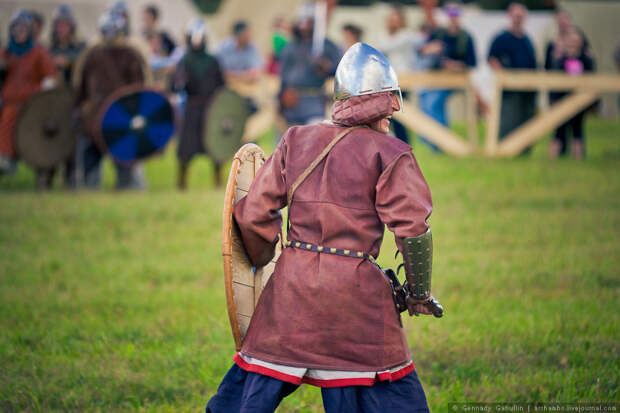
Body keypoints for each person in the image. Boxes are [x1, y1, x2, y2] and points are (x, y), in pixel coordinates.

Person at [206, 42, 439, 413]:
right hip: (357, 302)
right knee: (382, 393)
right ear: (384, 102)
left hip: (289, 295)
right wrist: (418, 294)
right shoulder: (392, 153)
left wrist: (266, 260)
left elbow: (251, 214)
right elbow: (413, 230)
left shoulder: (295, 139)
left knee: (250, 393)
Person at [75, 7, 147, 190]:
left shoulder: (130, 55)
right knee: (91, 152)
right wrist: (81, 105)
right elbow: (82, 84)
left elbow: (138, 88)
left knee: (123, 154)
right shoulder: (92, 55)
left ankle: (127, 186)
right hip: (94, 114)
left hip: (122, 114)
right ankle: (90, 185)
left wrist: (135, 111)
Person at [0, 10, 56, 185]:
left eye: (23, 29)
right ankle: (5, 158)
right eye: (17, 28)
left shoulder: (39, 52)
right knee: (7, 117)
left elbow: (51, 78)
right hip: (8, 104)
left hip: (33, 106)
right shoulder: (6, 53)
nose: (20, 32)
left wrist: (44, 87)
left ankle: (42, 170)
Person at [171, 19, 225, 189]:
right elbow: (174, 86)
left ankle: (218, 181)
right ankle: (181, 183)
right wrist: (179, 82)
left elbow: (221, 85)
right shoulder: (184, 61)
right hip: (192, 108)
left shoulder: (213, 61)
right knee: (187, 148)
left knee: (215, 146)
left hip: (211, 108)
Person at [418, 2, 476, 152]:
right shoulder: (438, 33)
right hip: (435, 79)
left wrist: (456, 66)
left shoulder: (466, 37)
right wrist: (430, 48)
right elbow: (421, 50)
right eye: (450, 13)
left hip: (455, 81)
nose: (453, 16)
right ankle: (434, 141)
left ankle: (441, 143)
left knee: (434, 103)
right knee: (424, 100)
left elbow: (472, 63)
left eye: (455, 13)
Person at [279, 3, 341, 128]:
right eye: (302, 22)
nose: (304, 26)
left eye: (308, 22)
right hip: (293, 101)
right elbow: (284, 76)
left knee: (314, 137)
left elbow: (339, 72)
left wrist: (327, 68)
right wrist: (281, 97)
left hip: (314, 100)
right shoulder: (290, 47)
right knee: (292, 139)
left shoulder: (328, 46)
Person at [488, 2, 537, 152]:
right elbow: (491, 59)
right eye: (516, 15)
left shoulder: (527, 39)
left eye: (521, 16)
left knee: (526, 121)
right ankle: (504, 150)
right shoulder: (502, 38)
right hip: (509, 89)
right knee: (509, 120)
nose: (518, 18)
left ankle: (524, 150)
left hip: (527, 89)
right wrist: (503, 75)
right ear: (509, 16)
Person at [545, 26, 594, 160]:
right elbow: (553, 78)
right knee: (559, 130)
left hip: (579, 98)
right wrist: (552, 98)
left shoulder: (585, 58)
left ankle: (578, 158)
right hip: (562, 98)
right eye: (570, 39)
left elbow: (592, 77)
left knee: (577, 129)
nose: (573, 41)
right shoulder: (560, 58)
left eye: (575, 38)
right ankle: (552, 158)